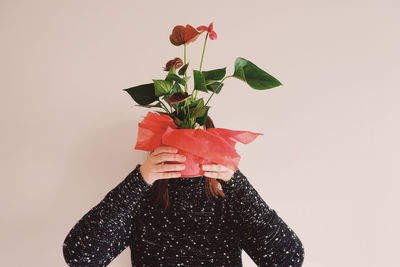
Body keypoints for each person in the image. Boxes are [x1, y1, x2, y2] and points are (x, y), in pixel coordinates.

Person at [62, 116, 305, 266]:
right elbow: (80, 256)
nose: (188, 150)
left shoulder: (229, 205)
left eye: (197, 140)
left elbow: (287, 260)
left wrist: (236, 181)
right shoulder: (142, 206)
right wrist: (138, 180)